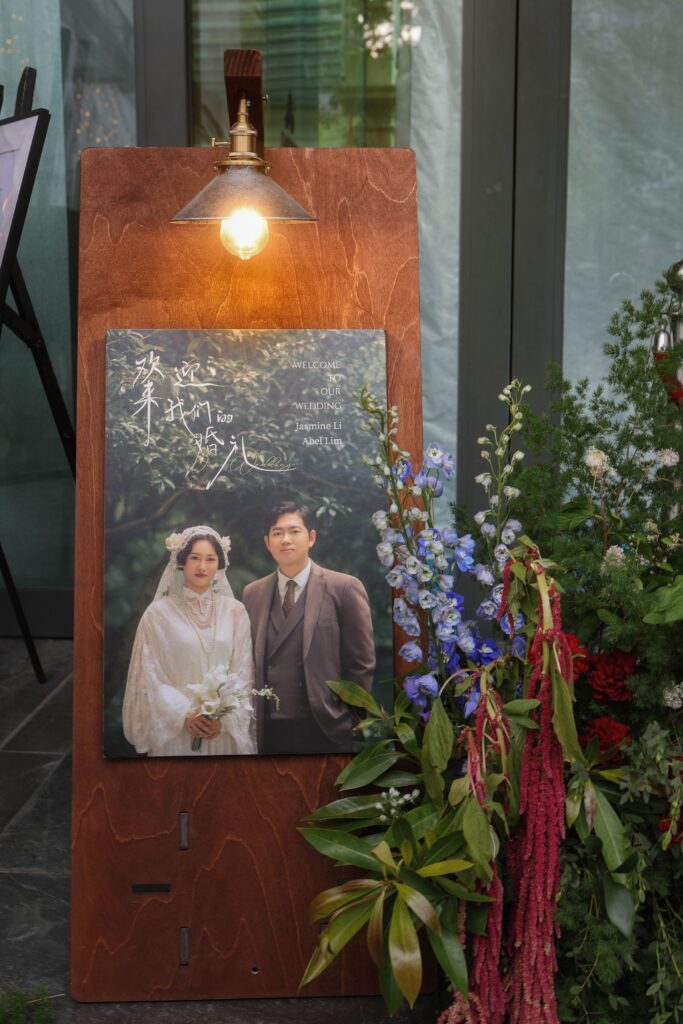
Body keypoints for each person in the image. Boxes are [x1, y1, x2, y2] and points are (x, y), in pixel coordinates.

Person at [242, 501, 375, 755]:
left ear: (311, 538)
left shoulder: (344, 587)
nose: (285, 540)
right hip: (267, 732)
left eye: (294, 531)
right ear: (267, 542)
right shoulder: (252, 593)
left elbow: (361, 662)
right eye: (277, 533)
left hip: (326, 727)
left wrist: (351, 720)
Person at [122, 525, 256, 756]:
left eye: (210, 559)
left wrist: (222, 719)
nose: (202, 566)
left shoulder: (235, 611)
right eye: (195, 558)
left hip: (222, 733)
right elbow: (149, 675)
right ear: (181, 561)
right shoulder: (158, 614)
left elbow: (244, 671)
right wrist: (185, 714)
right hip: (177, 731)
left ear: (219, 564)